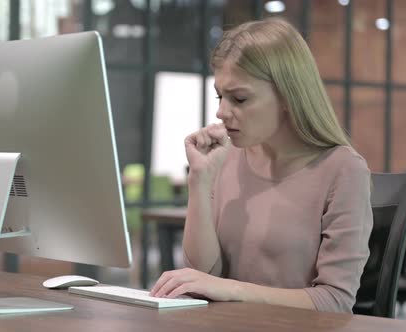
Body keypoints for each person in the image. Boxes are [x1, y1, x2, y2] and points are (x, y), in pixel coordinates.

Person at [148, 18, 373, 314]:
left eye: (239, 98)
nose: (221, 111)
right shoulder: (226, 157)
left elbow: (335, 301)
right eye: (220, 96)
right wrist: (200, 182)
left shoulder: (344, 170)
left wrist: (234, 290)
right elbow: (201, 277)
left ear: (287, 96)